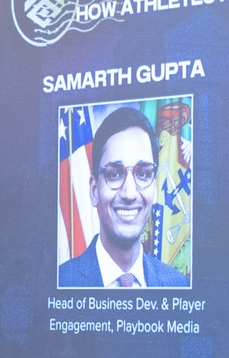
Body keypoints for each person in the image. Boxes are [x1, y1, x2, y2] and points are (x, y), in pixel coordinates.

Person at [57, 107, 188, 287]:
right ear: (94, 190)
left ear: (155, 189)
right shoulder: (60, 282)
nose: (129, 194)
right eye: (114, 174)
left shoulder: (178, 285)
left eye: (142, 173)